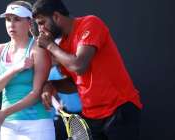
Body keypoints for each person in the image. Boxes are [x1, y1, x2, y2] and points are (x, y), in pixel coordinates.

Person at [32, 0, 143, 140]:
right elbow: (75, 83)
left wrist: (50, 46)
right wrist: (53, 85)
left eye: (42, 23)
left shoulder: (90, 23)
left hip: (119, 110)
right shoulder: (62, 46)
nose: (40, 29)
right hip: (91, 118)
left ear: (56, 17)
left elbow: (79, 66)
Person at [0, 1, 55, 140]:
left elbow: (36, 94)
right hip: (8, 127)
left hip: (37, 124)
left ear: (29, 22)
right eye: (8, 19)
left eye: (17, 19)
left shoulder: (38, 49)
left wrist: (4, 113)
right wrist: (15, 68)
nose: (11, 24)